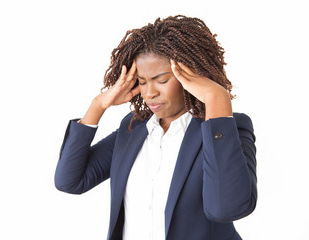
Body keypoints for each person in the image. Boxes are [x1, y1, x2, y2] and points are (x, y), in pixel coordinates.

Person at [55, 15, 257, 240]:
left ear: (193, 75)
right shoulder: (133, 129)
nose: (149, 93)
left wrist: (217, 97)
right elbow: (70, 180)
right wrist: (98, 105)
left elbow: (226, 208)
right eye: (142, 81)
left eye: (161, 81)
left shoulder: (229, 128)